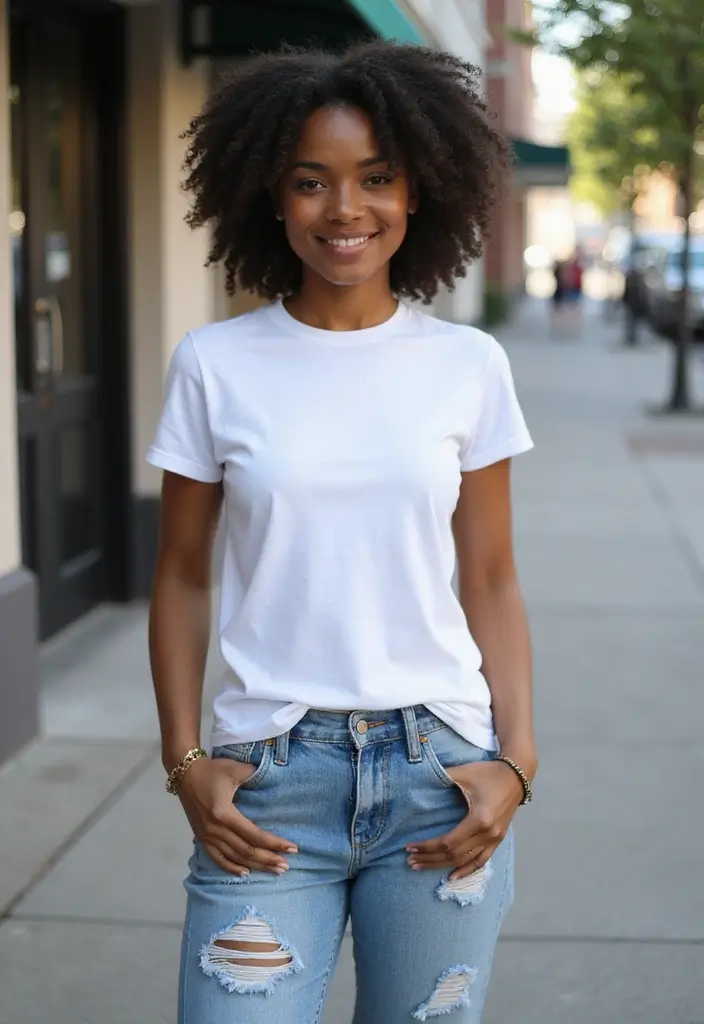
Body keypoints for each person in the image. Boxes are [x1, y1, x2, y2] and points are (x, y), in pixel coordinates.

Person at [147, 41, 537, 1024]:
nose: (344, 209)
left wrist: (517, 763)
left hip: (437, 772)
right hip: (268, 780)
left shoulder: (466, 364)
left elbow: (488, 575)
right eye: (309, 182)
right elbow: (183, 575)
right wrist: (185, 760)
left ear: (419, 192)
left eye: (374, 178)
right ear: (270, 200)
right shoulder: (215, 362)